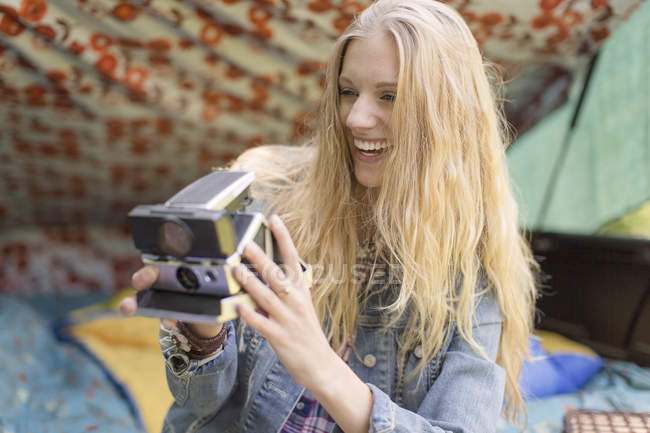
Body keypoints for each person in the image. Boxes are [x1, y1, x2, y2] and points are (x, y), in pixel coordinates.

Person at [120, 0, 538, 432]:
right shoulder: (269, 196)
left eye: (389, 96)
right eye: (348, 91)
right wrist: (203, 336)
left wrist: (322, 367)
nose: (356, 118)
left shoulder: (472, 270)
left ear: (446, 115)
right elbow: (200, 405)